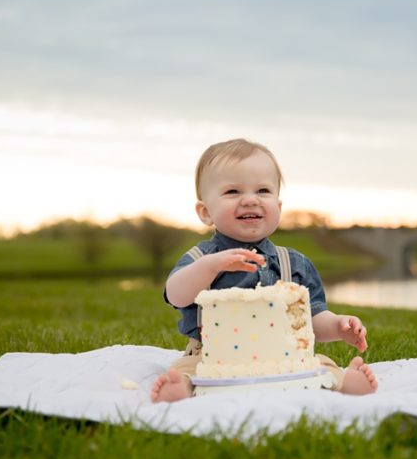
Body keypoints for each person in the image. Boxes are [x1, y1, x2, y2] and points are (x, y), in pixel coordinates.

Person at [151, 138, 379, 402]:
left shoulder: (293, 263)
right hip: (212, 356)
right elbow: (176, 294)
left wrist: (339, 326)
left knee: (319, 363)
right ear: (205, 212)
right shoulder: (201, 258)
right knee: (187, 370)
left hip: (284, 356)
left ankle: (343, 382)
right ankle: (179, 388)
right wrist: (210, 267)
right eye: (233, 192)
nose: (250, 200)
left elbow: (311, 318)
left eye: (262, 190)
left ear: (278, 207)